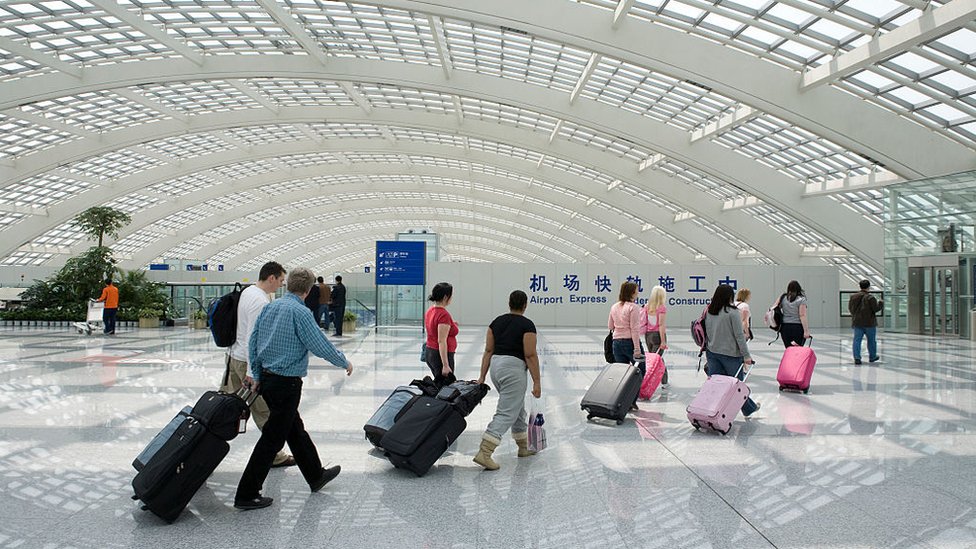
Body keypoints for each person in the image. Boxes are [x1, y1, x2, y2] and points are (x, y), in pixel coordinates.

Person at [234, 267, 353, 511]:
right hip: (287, 383)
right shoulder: (300, 312)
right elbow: (319, 344)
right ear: (308, 290)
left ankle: (315, 474)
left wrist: (256, 374)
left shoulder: (270, 307)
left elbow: (253, 342)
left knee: (294, 429)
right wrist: (344, 361)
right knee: (273, 438)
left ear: (288, 285)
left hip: (267, 380)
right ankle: (246, 493)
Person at [221, 261, 293, 469]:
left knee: (223, 408)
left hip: (233, 357)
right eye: (280, 280)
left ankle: (199, 442)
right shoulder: (260, 301)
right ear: (271, 278)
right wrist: (254, 373)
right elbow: (254, 337)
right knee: (264, 411)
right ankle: (275, 456)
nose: (280, 285)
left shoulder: (247, 292)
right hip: (246, 364)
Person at [473, 290, 542, 471]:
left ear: (509, 303)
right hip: (513, 369)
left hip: (496, 366)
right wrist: (537, 381)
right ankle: (485, 452)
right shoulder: (527, 325)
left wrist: (482, 376)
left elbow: (488, 350)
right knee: (506, 412)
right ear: (525, 305)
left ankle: (523, 447)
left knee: (517, 407)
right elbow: (530, 354)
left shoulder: (496, 322)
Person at [704, 284, 759, 417]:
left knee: (717, 385)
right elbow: (739, 336)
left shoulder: (709, 310)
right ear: (730, 296)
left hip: (712, 352)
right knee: (736, 387)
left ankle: (713, 410)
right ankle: (749, 408)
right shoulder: (732, 312)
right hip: (731, 355)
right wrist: (746, 356)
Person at [424, 282, 458, 386]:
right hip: (440, 355)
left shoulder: (431, 310)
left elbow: (433, 329)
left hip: (430, 351)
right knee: (445, 388)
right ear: (446, 297)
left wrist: (452, 325)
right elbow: (441, 341)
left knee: (439, 385)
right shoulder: (443, 314)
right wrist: (445, 365)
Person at [608, 281, 643, 372]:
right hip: (629, 342)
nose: (637, 293)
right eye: (636, 291)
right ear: (631, 293)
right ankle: (636, 387)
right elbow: (634, 329)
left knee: (622, 373)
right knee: (640, 370)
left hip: (616, 343)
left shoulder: (614, 306)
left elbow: (610, 326)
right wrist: (637, 349)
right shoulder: (633, 307)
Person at [849, 279, 883, 365]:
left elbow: (850, 309)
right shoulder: (871, 297)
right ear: (869, 287)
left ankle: (857, 357)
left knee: (857, 340)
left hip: (857, 322)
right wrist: (881, 303)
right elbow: (875, 309)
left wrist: (855, 316)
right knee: (871, 340)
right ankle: (872, 356)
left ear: (860, 286)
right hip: (869, 323)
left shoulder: (853, 296)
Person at [640, 285, 668, 384]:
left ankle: (655, 381)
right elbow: (661, 324)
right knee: (657, 360)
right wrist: (663, 341)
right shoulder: (661, 307)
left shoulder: (647, 306)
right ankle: (662, 383)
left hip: (648, 335)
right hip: (657, 336)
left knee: (654, 359)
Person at [772, 280, 810, 347]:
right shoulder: (801, 299)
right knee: (797, 349)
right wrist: (806, 331)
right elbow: (802, 315)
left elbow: (773, 308)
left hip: (785, 328)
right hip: (797, 328)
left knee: (789, 349)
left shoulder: (783, 297)